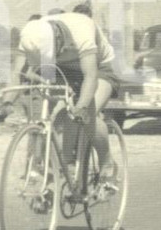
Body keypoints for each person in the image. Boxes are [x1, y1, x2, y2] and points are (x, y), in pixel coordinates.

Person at [7, 11, 123, 169]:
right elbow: (18, 74)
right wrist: (6, 103)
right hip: (62, 68)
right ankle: (64, 171)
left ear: (58, 38)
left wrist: (81, 107)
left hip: (99, 67)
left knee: (88, 115)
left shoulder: (82, 30)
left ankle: (107, 162)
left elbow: (90, 77)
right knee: (59, 122)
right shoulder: (30, 35)